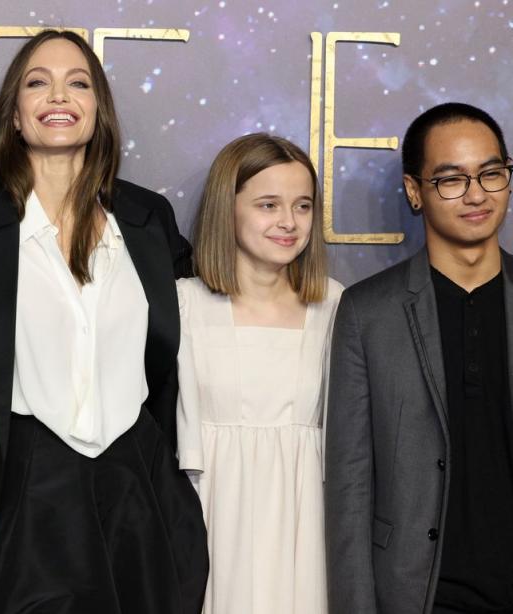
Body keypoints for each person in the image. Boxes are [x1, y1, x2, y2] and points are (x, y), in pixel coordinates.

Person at [0, 29, 209, 614]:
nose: (59, 96)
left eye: (78, 83)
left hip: (136, 487)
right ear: (15, 114)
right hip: (21, 487)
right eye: (38, 83)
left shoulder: (148, 218)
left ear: (98, 110)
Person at [325, 102, 513, 614]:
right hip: (417, 594)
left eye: (491, 174)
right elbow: (349, 484)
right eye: (451, 180)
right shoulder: (368, 313)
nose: (476, 194)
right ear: (415, 191)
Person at [176, 133, 342, 614]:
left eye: (303, 206)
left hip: (307, 527)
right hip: (210, 523)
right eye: (268, 204)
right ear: (226, 209)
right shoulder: (181, 305)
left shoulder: (338, 307)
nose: (289, 222)